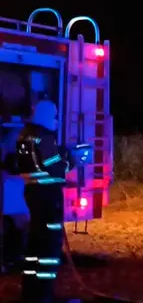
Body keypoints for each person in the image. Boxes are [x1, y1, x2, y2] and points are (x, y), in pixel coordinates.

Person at [15, 99, 71, 303]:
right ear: (47, 116)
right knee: (48, 248)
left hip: (33, 194)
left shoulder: (25, 135)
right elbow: (56, 168)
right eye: (54, 116)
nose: (56, 120)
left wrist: (61, 153)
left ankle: (30, 293)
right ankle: (44, 294)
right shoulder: (44, 137)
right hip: (48, 197)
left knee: (35, 246)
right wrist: (72, 159)